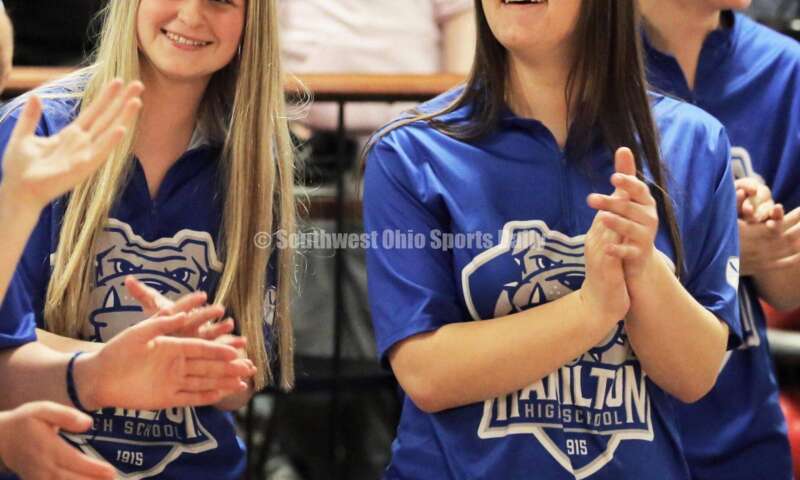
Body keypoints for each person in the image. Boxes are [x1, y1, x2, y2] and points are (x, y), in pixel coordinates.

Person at [363, 1, 743, 478]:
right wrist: (591, 310)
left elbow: (695, 375)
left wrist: (642, 268)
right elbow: (425, 373)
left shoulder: (697, 143)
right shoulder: (410, 150)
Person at [0, 0, 298, 478]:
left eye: (222, 0)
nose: (192, 15)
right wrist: (125, 364)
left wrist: (208, 363)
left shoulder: (256, 161)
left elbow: (241, 384)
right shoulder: (37, 133)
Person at [640, 1, 800, 478]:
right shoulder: (572, 62)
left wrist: (768, 245)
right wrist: (720, 247)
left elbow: (788, 290)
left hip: (742, 431)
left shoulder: (785, 67)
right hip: (610, 430)